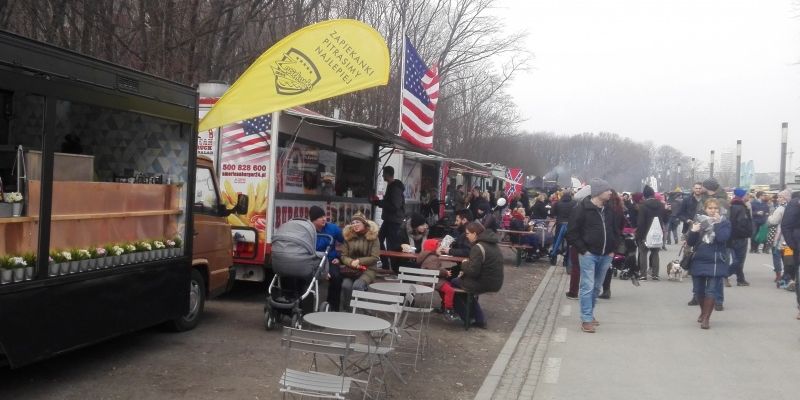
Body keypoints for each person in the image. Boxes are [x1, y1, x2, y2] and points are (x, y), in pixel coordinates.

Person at [566, 178, 621, 333]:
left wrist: (613, 249)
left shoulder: (610, 210)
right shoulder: (582, 209)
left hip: (606, 254)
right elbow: (572, 233)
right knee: (587, 286)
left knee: (597, 287)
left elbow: (615, 230)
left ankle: (590, 313)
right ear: (598, 192)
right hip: (589, 254)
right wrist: (584, 250)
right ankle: (586, 319)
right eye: (607, 190)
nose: (610, 193)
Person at [686, 198, 731, 329]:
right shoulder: (699, 221)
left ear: (719, 209)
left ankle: (706, 318)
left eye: (715, 208)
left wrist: (717, 223)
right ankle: (703, 311)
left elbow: (723, 238)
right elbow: (690, 243)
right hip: (699, 258)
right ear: (705, 209)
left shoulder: (724, 222)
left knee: (711, 290)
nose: (713, 211)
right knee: (698, 290)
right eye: (710, 208)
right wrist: (693, 231)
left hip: (716, 259)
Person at [449, 221, 504, 328]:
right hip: (495, 281)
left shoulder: (478, 247)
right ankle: (478, 318)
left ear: (474, 234)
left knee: (453, 284)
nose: (467, 236)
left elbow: (473, 271)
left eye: (468, 234)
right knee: (463, 287)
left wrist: (464, 264)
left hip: (484, 282)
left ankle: (467, 318)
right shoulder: (493, 244)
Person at [339, 212, 381, 310]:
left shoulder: (373, 237)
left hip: (368, 269)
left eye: (357, 222)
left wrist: (359, 261)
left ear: (364, 223)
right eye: (353, 223)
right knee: (346, 285)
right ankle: (348, 310)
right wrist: (350, 262)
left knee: (358, 286)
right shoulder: (348, 236)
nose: (355, 225)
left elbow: (375, 257)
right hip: (351, 269)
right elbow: (343, 256)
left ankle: (364, 311)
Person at [309, 206, 346, 311]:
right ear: (313, 220)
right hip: (313, 260)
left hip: (329, 260)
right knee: (303, 276)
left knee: (336, 277)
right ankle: (305, 305)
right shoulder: (308, 230)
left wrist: (340, 258)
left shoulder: (333, 228)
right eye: (320, 217)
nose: (324, 219)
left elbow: (347, 242)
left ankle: (333, 308)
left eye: (324, 216)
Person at [373, 166, 405, 272]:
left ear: (387, 174)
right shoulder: (392, 186)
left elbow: (395, 205)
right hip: (389, 220)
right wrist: (380, 202)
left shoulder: (395, 187)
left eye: (383, 174)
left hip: (394, 221)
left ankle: (395, 268)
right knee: (379, 240)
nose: (382, 176)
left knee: (392, 244)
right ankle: (386, 264)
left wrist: (380, 203)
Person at [636, 185, 665, 280]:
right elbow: (665, 219)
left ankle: (643, 274)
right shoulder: (661, 205)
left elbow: (640, 222)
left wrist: (639, 235)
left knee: (643, 253)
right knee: (655, 253)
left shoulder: (643, 206)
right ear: (653, 194)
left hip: (645, 232)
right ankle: (655, 274)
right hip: (657, 232)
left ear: (644, 196)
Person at [726, 188, 752, 288]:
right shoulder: (740, 207)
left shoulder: (732, 205)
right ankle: (725, 274)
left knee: (737, 259)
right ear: (742, 195)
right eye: (746, 194)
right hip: (739, 237)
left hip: (732, 236)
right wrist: (746, 233)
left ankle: (740, 279)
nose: (748, 196)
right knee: (739, 260)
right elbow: (741, 223)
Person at [767, 189, 792, 284]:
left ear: (785, 198)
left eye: (780, 197)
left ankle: (778, 274)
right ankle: (788, 275)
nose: (778, 199)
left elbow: (773, 221)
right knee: (787, 256)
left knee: (776, 254)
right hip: (789, 236)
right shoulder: (792, 207)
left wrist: (769, 217)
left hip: (779, 235)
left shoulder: (780, 209)